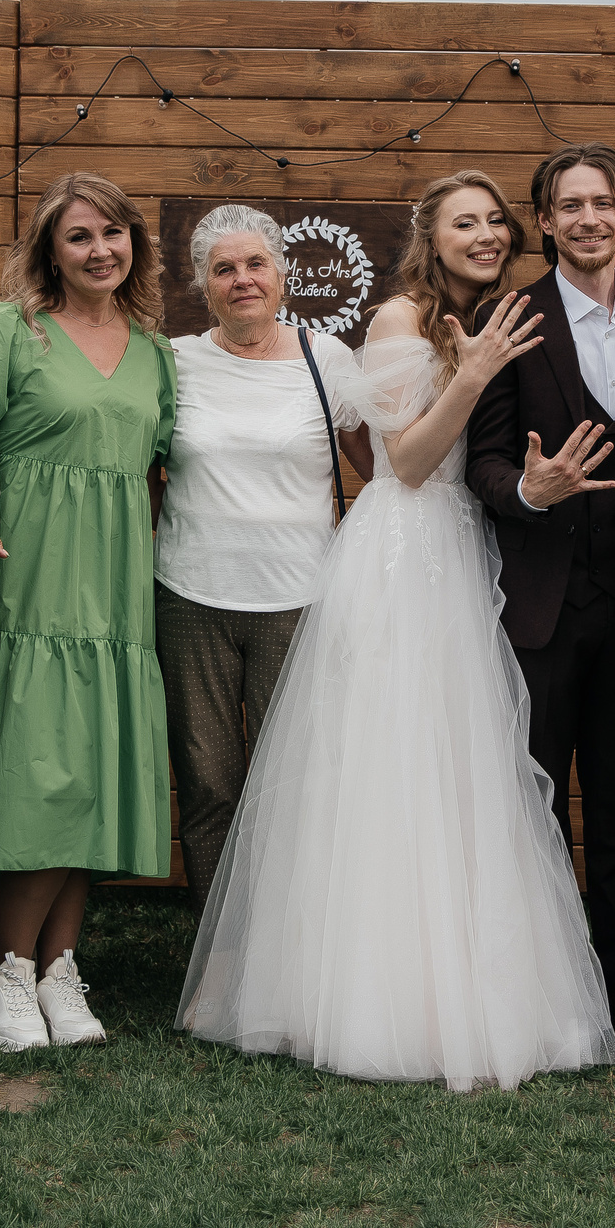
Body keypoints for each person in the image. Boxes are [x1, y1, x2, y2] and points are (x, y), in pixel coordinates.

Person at [180, 171, 615, 1091]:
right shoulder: (396, 320)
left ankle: (466, 982)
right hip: (402, 552)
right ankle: (365, 994)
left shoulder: (492, 315)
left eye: (495, 220)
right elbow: (410, 461)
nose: (485, 234)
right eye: (465, 222)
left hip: (463, 551)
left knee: (463, 772)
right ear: (430, 235)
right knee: (387, 770)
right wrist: (474, 372)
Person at [0, 172, 177, 1054]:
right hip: (27, 583)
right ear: (49, 251)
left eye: (114, 233)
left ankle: (58, 965)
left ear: (135, 242)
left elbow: (154, 471)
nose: (101, 250)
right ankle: (7, 971)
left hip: (116, 599)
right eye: (79, 236)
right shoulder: (3, 333)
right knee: (41, 778)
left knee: (88, 772)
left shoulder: (155, 352)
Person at [465, 142, 615, 1050]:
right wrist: (529, 491)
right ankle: (547, 978)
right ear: (546, 221)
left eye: (604, 204)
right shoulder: (507, 316)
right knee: (536, 794)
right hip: (539, 601)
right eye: (570, 205)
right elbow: (482, 459)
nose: (589, 218)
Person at [151, 204, 374, 906]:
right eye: (224, 269)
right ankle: (218, 944)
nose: (242, 279)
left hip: (299, 603)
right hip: (191, 599)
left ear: (282, 274)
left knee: (293, 785)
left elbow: (384, 473)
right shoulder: (175, 361)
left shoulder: (326, 359)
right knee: (208, 783)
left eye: (256, 264)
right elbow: (146, 475)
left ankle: (284, 941)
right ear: (202, 284)